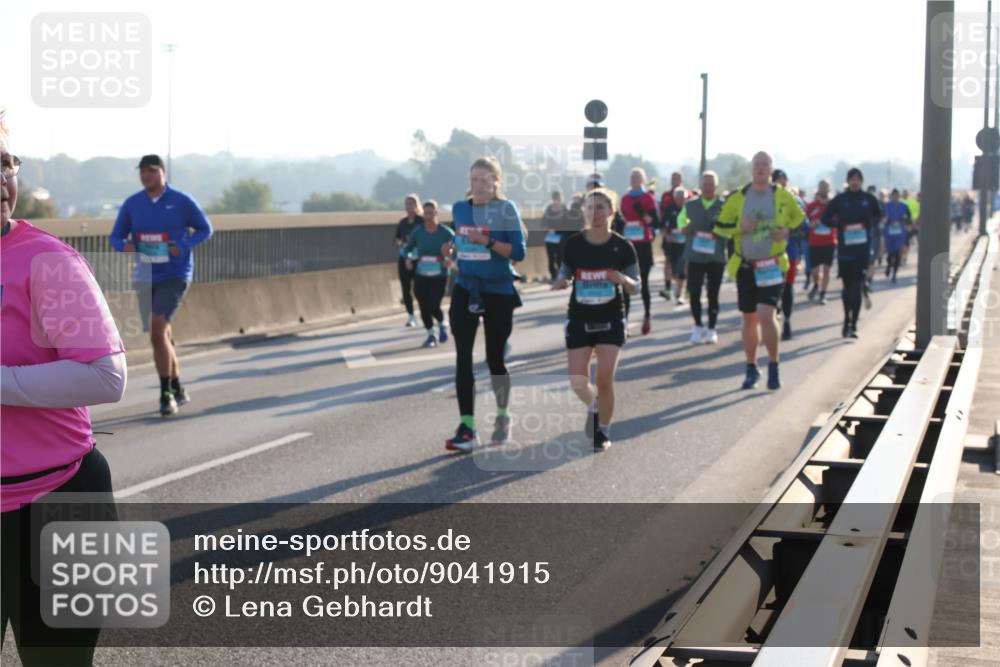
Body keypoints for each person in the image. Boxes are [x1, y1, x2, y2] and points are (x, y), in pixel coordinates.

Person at [2, 111, 127, 665]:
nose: (1, 178)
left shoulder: (47, 261)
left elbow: (105, 375)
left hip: (60, 499)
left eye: (5, 163)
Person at [109, 154, 212, 416]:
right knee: (161, 335)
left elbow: (205, 228)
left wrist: (184, 246)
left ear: (163, 173)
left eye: (152, 170)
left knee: (157, 330)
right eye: (142, 171)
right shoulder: (133, 204)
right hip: (144, 276)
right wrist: (125, 246)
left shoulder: (181, 201)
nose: (146, 175)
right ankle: (177, 385)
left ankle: (166, 394)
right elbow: (116, 237)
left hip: (175, 274)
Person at [443, 157, 526, 452]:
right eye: (474, 180)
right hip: (466, 288)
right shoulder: (460, 208)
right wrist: (451, 249)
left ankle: (503, 417)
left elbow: (519, 251)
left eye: (484, 180)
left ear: (495, 183)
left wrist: (486, 241)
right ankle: (467, 427)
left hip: (498, 291)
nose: (478, 186)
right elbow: (461, 244)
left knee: (494, 359)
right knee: (462, 357)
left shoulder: (506, 209)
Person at [552, 187, 639, 451]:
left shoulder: (623, 247)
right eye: (590, 208)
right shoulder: (574, 244)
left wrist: (621, 279)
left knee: (604, 378)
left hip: (611, 316)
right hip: (580, 315)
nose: (595, 213)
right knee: (578, 382)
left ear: (612, 211)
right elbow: (563, 272)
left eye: (601, 207)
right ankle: (594, 406)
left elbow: (636, 286)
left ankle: (603, 430)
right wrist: (562, 281)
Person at [715, 151, 804, 390]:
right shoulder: (739, 196)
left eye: (765, 164)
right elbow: (720, 227)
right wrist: (739, 227)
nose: (761, 168)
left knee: (766, 315)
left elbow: (801, 221)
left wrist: (787, 231)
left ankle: (774, 365)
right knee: (749, 318)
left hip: (772, 264)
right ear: (752, 168)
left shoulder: (783, 196)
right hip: (745, 265)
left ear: (771, 169)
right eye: (757, 164)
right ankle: (751, 367)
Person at [821, 167, 883, 338]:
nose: (855, 182)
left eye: (857, 179)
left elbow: (879, 215)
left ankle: (854, 324)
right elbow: (824, 218)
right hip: (845, 252)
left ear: (861, 181)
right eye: (852, 179)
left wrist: (870, 224)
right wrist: (838, 225)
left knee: (856, 287)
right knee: (847, 289)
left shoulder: (868, 199)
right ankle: (846, 320)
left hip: (862, 250)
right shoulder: (840, 200)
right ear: (848, 181)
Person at [679, 171, 726, 344]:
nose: (708, 187)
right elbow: (681, 222)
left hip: (716, 256)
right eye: (705, 184)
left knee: (713, 294)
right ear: (700, 185)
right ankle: (698, 326)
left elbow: (730, 228)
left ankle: (712, 328)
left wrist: (719, 230)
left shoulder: (723, 205)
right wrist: (684, 227)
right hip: (695, 256)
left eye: (711, 184)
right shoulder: (690, 205)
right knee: (694, 292)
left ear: (716, 186)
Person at [403, 200, 454, 347]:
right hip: (421, 273)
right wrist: (408, 259)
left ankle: (442, 323)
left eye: (431, 213)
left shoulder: (445, 232)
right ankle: (431, 334)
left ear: (436, 213)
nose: (428, 216)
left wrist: (449, 258)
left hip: (440, 275)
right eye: (426, 213)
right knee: (423, 304)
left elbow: (456, 248)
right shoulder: (418, 232)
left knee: (433, 303)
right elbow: (408, 249)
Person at [619, 168, 659, 335]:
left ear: (643, 179)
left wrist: (641, 212)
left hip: (643, 245)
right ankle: (625, 322)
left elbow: (655, 222)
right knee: (625, 284)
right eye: (632, 176)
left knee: (642, 283)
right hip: (628, 244)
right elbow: (622, 219)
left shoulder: (648, 198)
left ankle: (647, 316)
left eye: (638, 176)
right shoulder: (625, 199)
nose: (635, 179)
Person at [394, 194, 424, 327]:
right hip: (405, 257)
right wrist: (400, 243)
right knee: (405, 288)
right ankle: (411, 316)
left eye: (411, 204)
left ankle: (425, 313)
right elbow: (397, 238)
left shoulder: (421, 221)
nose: (408, 207)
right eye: (406, 204)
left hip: (420, 258)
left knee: (419, 289)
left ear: (416, 206)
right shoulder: (402, 223)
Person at [658, 172, 688, 302]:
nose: (681, 200)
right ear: (675, 198)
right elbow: (662, 225)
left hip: (684, 243)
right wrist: (667, 235)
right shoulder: (669, 207)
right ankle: (668, 288)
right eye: (678, 198)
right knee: (669, 264)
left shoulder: (690, 208)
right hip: (671, 242)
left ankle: (680, 294)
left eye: (683, 198)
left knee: (682, 267)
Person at [806, 180, 834, 304]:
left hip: (830, 242)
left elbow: (838, 220)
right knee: (815, 271)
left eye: (826, 187)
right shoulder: (811, 205)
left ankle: (823, 293)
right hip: (814, 242)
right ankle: (816, 285)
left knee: (827, 269)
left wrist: (830, 222)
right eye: (821, 186)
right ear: (818, 188)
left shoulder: (833, 205)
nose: (823, 189)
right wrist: (812, 224)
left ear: (829, 188)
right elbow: (805, 222)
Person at [882, 189, 911, 283]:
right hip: (889, 233)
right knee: (890, 253)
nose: (895, 197)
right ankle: (889, 265)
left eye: (897, 195)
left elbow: (908, 218)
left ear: (899, 196)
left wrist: (904, 221)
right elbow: (881, 217)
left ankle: (894, 274)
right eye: (893, 195)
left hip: (900, 233)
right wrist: (887, 221)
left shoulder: (904, 206)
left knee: (898, 253)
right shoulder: (886, 206)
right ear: (891, 196)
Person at [542, 190, 568, 281]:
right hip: (550, 237)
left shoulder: (565, 209)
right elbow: (543, 222)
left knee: (560, 257)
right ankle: (553, 276)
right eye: (555, 198)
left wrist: (559, 231)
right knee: (551, 257)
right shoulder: (548, 209)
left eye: (558, 198)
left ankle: (560, 275)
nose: (556, 200)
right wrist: (547, 228)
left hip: (561, 237)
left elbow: (567, 223)